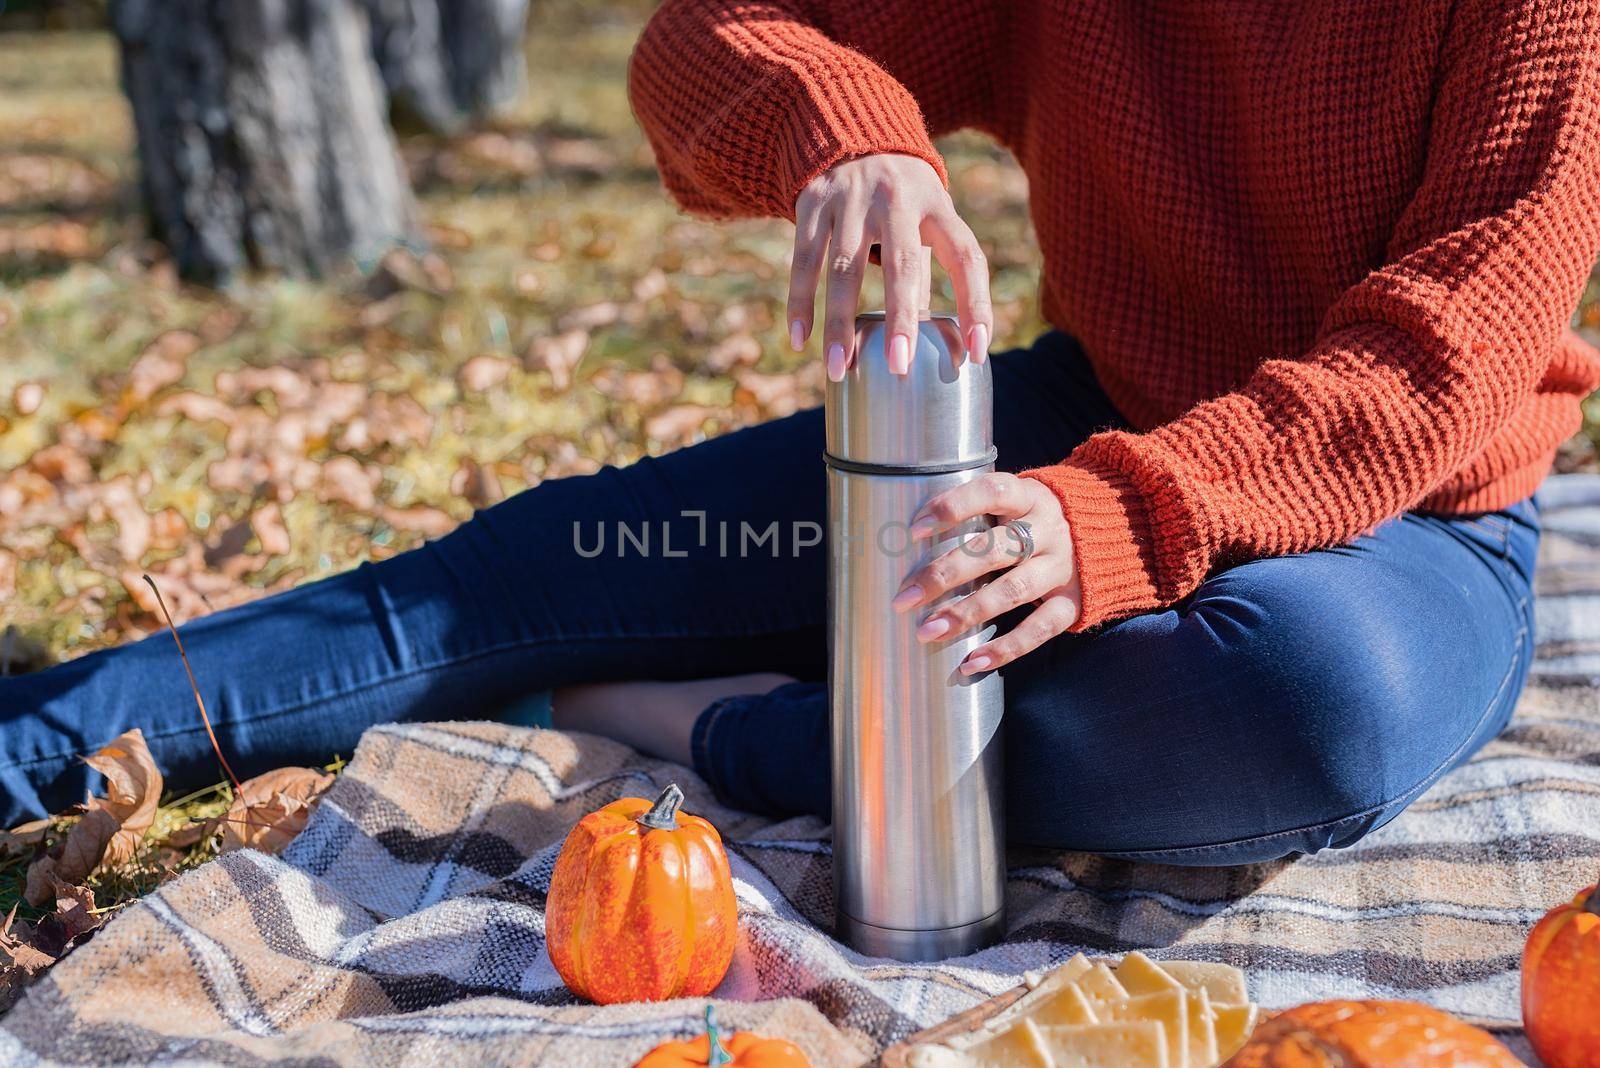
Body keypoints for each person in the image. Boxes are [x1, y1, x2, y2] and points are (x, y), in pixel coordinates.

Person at [3, 0, 1597, 865]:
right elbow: (700, 36)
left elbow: (1444, 356)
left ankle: (724, 725)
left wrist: (1112, 521)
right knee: (548, 565)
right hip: (1063, 424)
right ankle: (30, 750)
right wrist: (845, 134)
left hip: (1408, 525)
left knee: (1296, 710)